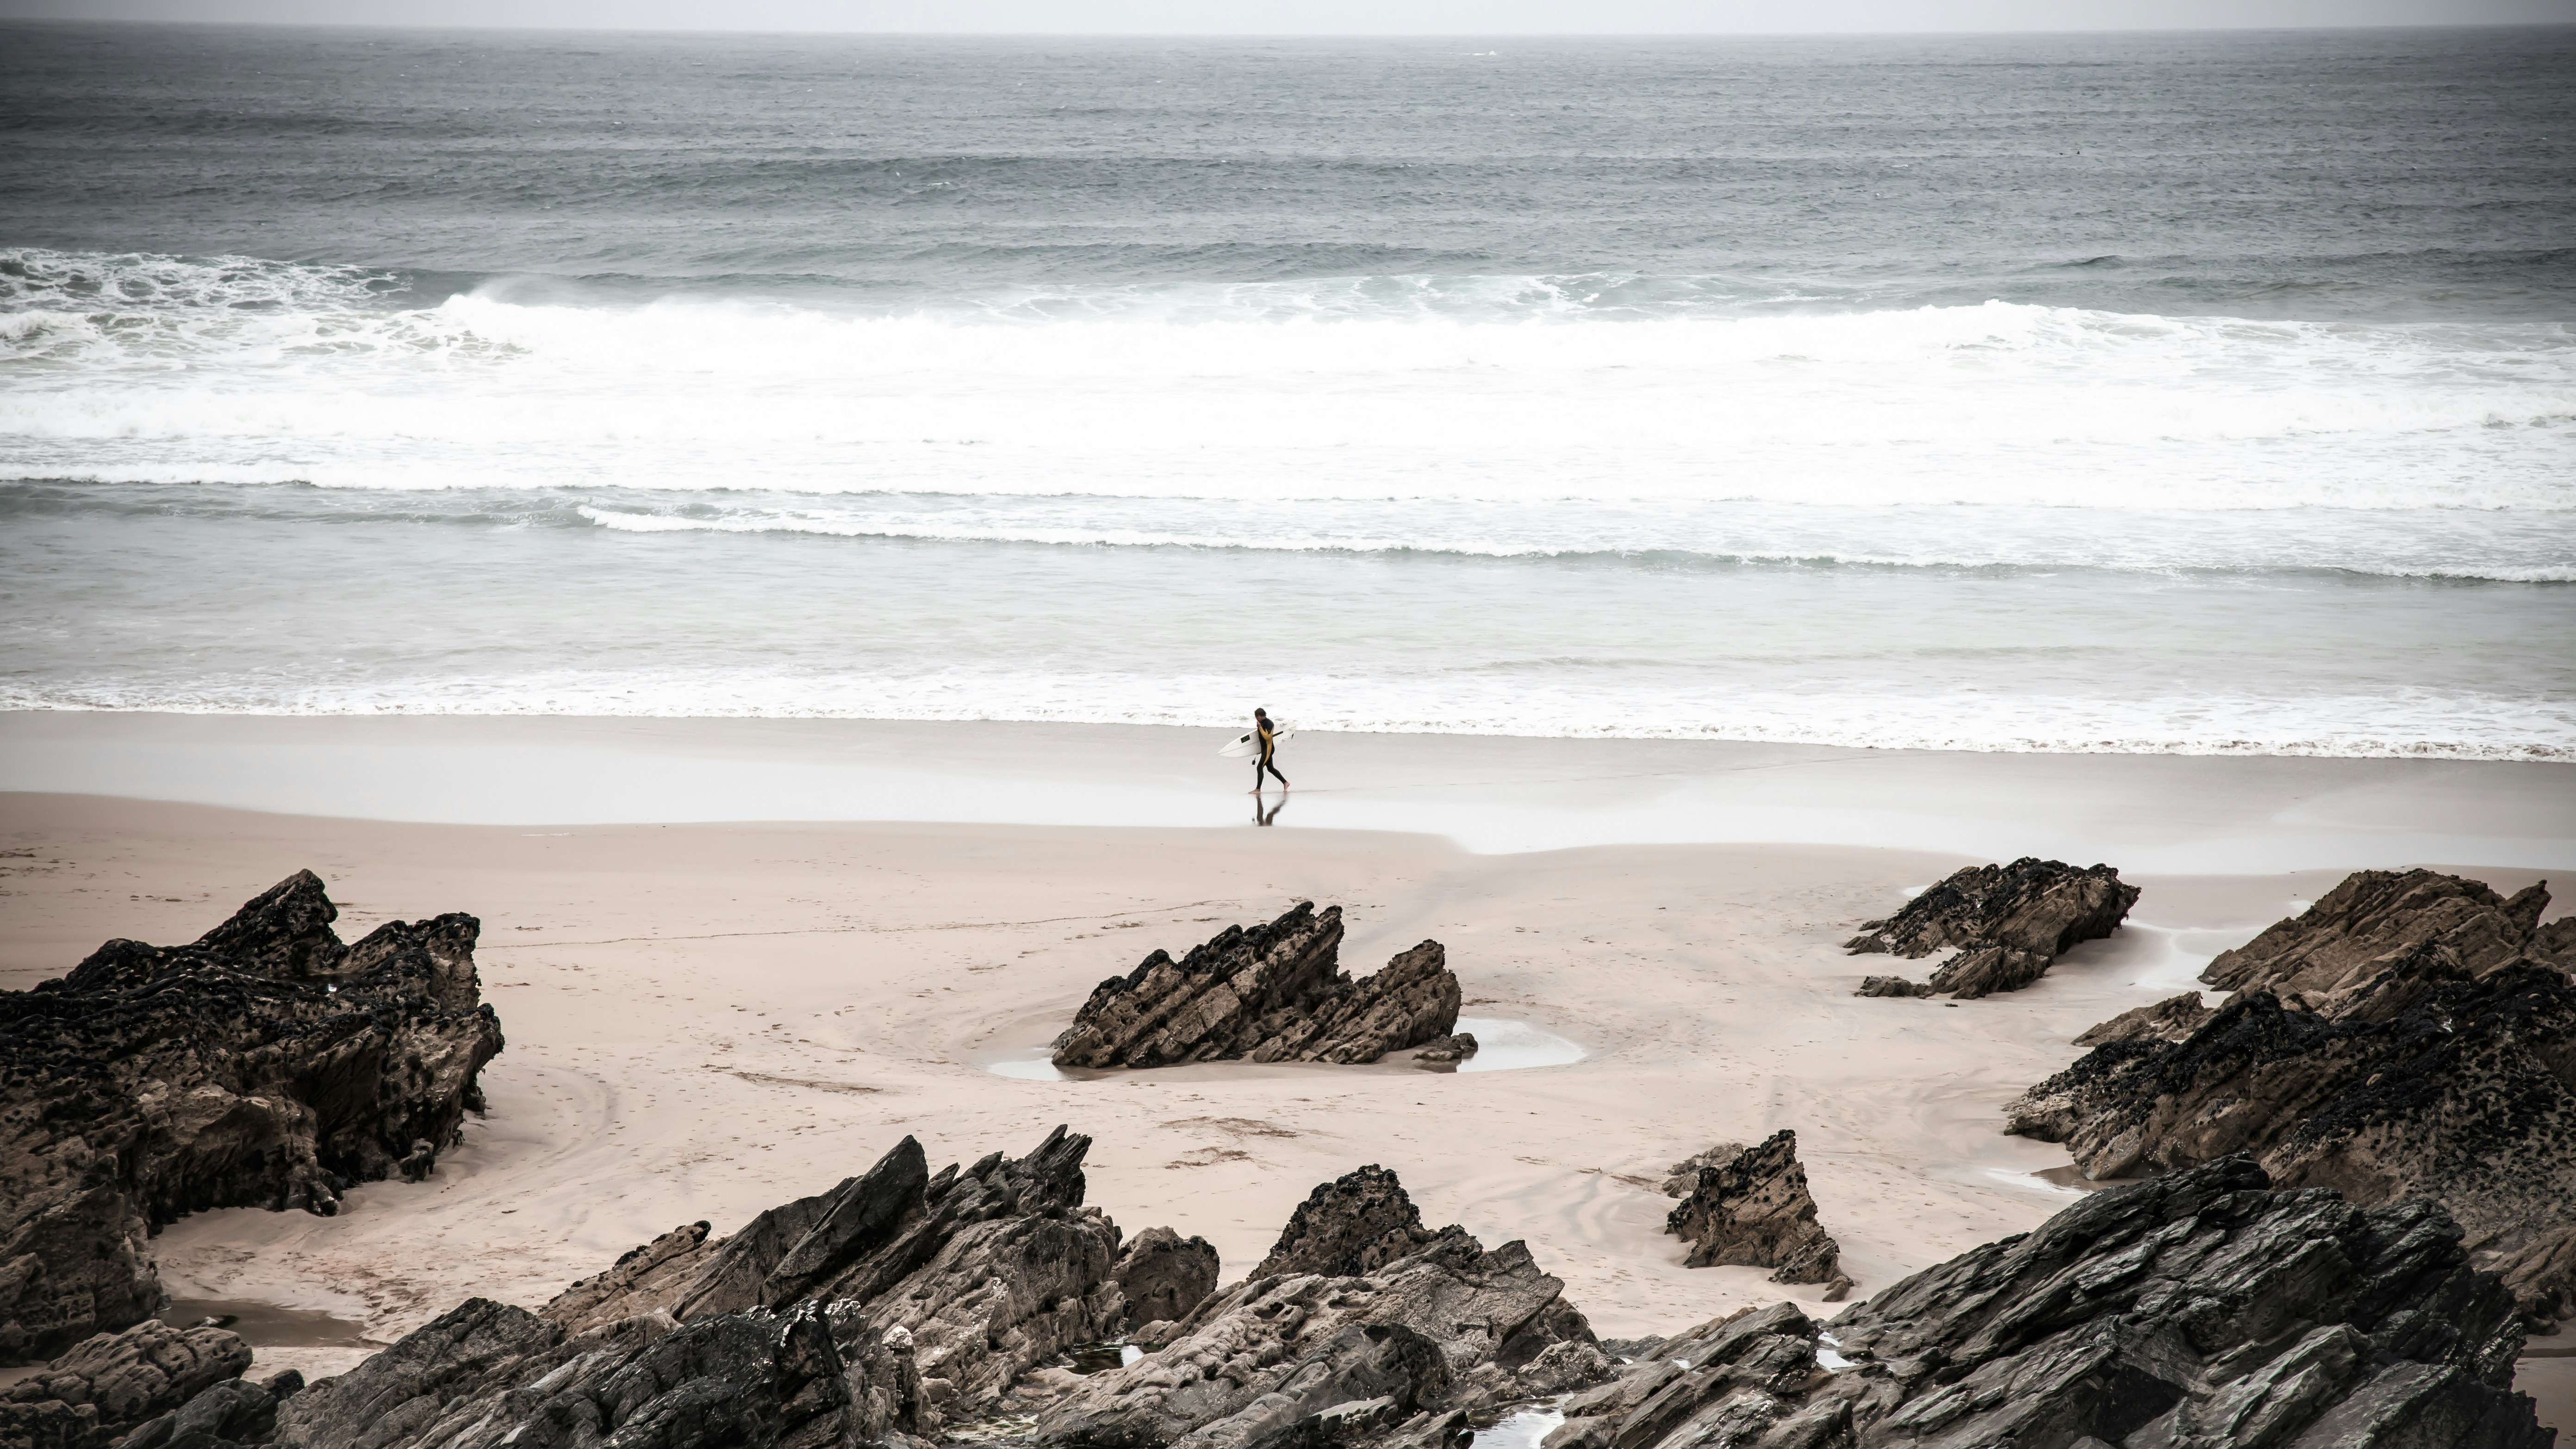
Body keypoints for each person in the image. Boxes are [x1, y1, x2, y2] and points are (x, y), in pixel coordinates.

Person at [1251, 707, 1289, 793]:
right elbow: (1261, 739)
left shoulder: (1269, 724)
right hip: (1265, 749)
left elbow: (1268, 738)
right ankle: (1286, 783)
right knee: (1271, 769)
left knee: (1259, 767)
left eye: (1257, 717)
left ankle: (1258, 789)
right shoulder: (1262, 723)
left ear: (1261, 716)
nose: (1256, 719)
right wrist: (1260, 750)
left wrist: (1260, 728)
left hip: (1269, 749)